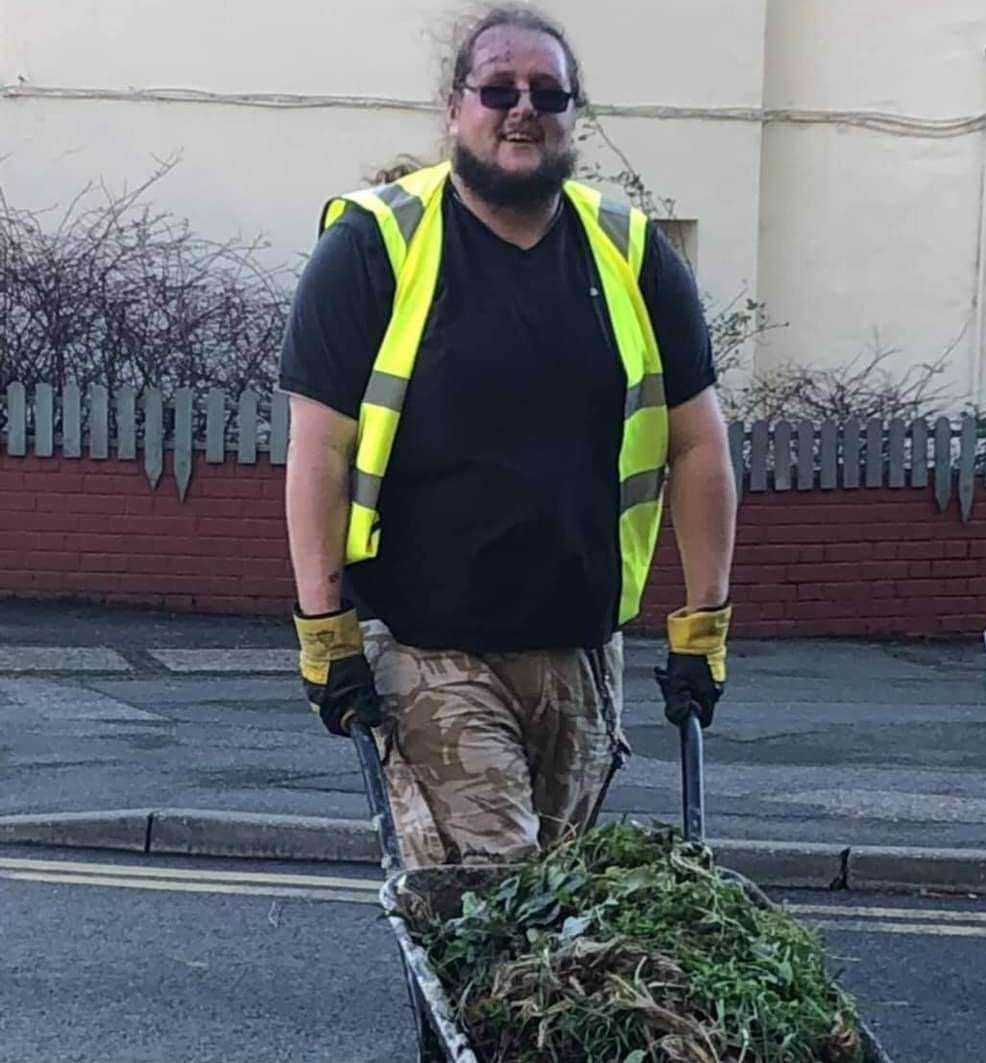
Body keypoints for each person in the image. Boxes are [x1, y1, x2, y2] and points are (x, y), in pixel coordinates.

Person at [279, 3, 737, 870]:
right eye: (497, 88)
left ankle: (455, 1015)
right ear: (455, 108)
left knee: (549, 913)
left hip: (580, 651)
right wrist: (323, 626)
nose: (521, 107)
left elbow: (698, 444)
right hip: (430, 649)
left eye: (547, 92)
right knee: (493, 887)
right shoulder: (375, 248)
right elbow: (320, 451)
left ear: (575, 116)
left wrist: (703, 624)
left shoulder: (633, 255)